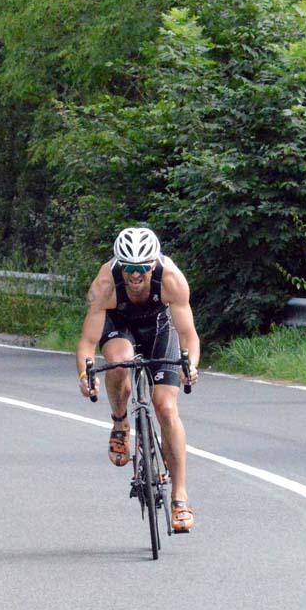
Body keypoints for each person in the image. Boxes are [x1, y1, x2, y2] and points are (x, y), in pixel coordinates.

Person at [76, 226, 201, 532]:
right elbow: (87, 342)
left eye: (142, 268)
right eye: (129, 268)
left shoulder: (171, 279)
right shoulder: (106, 283)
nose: (135, 276)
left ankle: (180, 497)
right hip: (120, 327)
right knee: (118, 363)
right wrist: (84, 374)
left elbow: (188, 335)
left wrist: (190, 365)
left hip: (159, 328)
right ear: (120, 264)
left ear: (154, 264)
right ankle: (120, 423)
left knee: (166, 407)